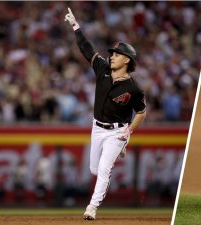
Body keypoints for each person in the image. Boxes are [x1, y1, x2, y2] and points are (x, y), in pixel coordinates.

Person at [64, 7, 147, 220]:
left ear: (127, 60)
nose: (112, 56)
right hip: (97, 127)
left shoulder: (133, 88)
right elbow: (86, 48)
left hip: (117, 132)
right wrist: (76, 26)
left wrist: (129, 131)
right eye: (112, 53)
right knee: (93, 169)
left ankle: (92, 207)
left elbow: (141, 112)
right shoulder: (102, 69)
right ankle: (120, 149)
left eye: (117, 55)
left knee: (103, 169)